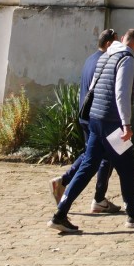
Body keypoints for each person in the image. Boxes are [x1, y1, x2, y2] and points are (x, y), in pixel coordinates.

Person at [47, 29, 134, 233]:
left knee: (87, 167)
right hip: (112, 123)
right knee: (127, 168)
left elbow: (94, 87)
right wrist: (126, 124)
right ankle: (133, 215)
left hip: (95, 120)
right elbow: (121, 93)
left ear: (122, 39)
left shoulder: (105, 56)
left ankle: (60, 214)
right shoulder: (126, 59)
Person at [50, 28, 121, 214]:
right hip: (98, 116)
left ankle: (64, 182)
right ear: (108, 44)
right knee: (104, 157)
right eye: (115, 43)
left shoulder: (90, 59)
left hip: (86, 114)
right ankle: (97, 198)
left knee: (92, 154)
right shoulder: (106, 61)